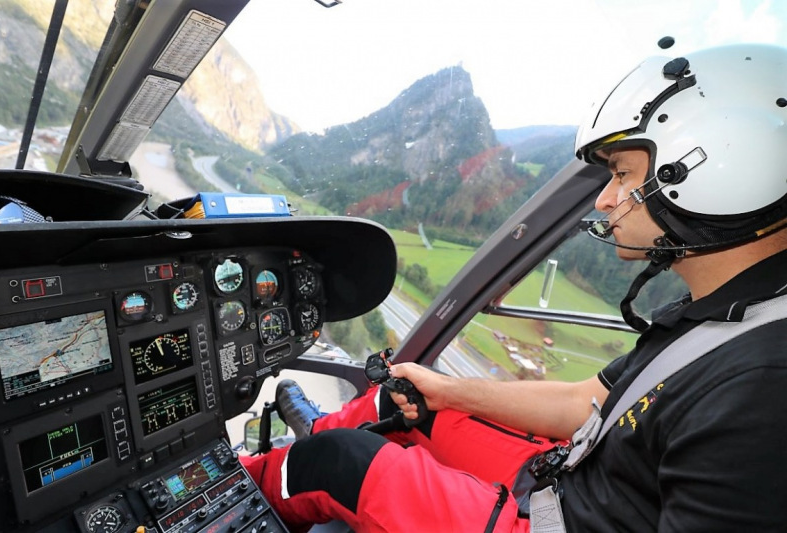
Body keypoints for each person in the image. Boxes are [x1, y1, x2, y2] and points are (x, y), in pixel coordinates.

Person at [240, 42, 787, 532]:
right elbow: (586, 402)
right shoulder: (724, 313)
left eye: (621, 174)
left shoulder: (762, 391)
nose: (604, 199)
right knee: (408, 399)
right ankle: (315, 429)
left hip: (560, 515)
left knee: (337, 465)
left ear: (715, 170)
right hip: (575, 472)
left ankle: (219, 491)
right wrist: (446, 390)